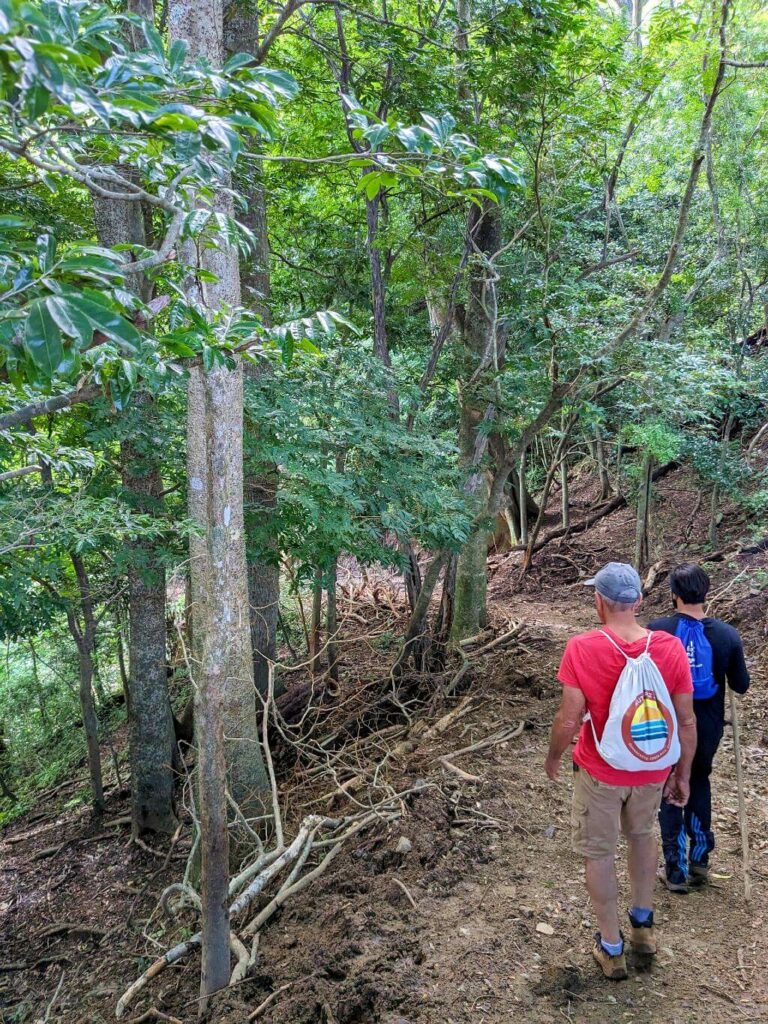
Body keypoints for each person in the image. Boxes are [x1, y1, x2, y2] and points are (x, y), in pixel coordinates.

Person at [545, 562, 696, 980]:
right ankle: (643, 927)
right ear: (639, 602)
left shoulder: (583, 647)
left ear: (599, 601)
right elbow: (685, 721)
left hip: (601, 770)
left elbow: (569, 719)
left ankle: (612, 947)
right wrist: (682, 773)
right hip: (652, 769)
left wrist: (555, 756)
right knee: (643, 836)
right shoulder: (668, 648)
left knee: (600, 852)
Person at [649, 563, 750, 892]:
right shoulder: (726, 635)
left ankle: (675, 870)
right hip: (707, 727)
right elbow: (741, 684)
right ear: (705, 593)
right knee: (698, 780)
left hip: (666, 724)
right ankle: (700, 860)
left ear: (674, 594)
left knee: (669, 785)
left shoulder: (658, 629)